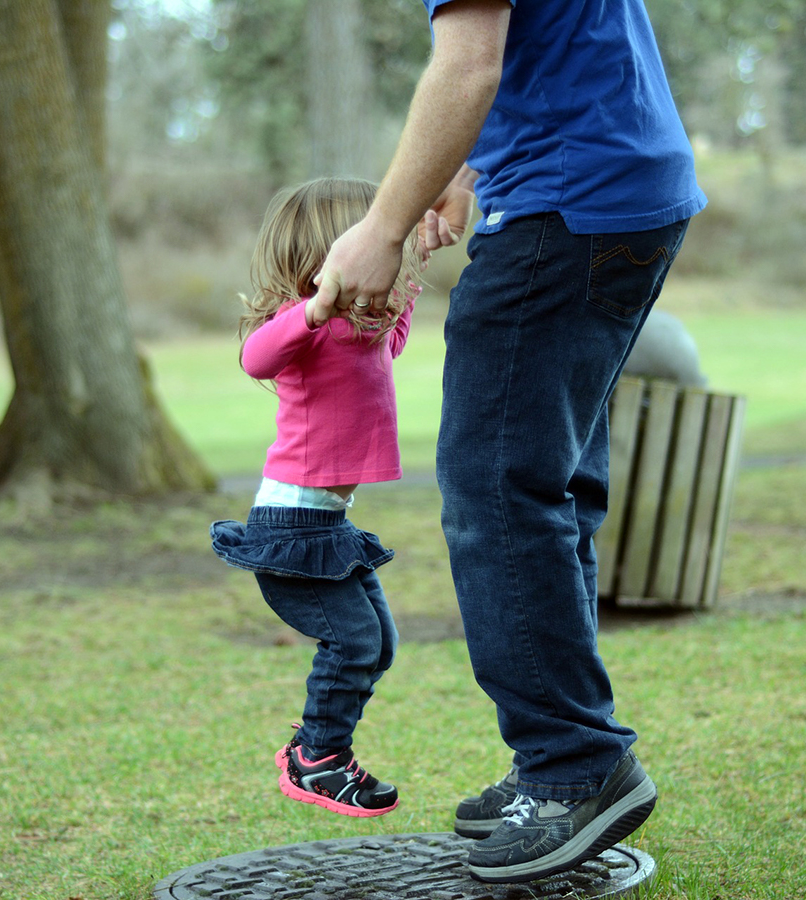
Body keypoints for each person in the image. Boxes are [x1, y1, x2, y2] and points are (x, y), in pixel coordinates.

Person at [305, 0, 707, 884]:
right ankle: (558, 763)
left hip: (567, 206)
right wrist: (472, 163)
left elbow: (469, 65)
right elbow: (549, 49)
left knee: (497, 489)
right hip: (622, 189)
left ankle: (574, 765)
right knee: (549, 484)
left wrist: (381, 227)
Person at [209, 177, 420, 818]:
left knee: (378, 644)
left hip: (325, 525)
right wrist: (315, 306)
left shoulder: (360, 334)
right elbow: (253, 358)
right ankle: (319, 759)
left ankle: (318, 748)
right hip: (290, 527)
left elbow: (393, 341)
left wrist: (415, 265)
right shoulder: (300, 329)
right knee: (354, 644)